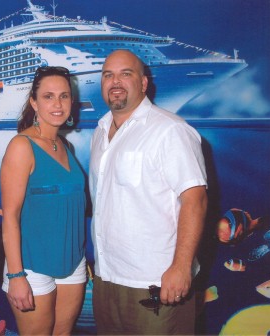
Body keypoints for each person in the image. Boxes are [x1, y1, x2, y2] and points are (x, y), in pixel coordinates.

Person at [89, 50, 208, 335]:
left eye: (125, 74)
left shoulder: (170, 130)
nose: (115, 82)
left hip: (156, 282)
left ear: (143, 83)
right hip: (107, 280)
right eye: (108, 75)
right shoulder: (100, 131)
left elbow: (196, 200)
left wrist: (181, 267)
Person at [0, 66, 87, 335]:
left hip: (73, 262)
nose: (58, 104)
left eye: (64, 96)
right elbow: (10, 216)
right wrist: (16, 277)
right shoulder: (21, 146)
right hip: (31, 265)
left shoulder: (66, 146)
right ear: (34, 102)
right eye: (48, 96)